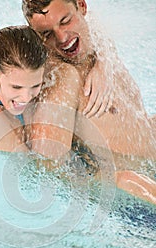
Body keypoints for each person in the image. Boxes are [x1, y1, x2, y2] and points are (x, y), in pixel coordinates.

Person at [22, 0, 156, 204]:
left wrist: (102, 63)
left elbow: (99, 32)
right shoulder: (62, 79)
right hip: (138, 188)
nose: (62, 38)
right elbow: (48, 167)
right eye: (47, 34)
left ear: (82, 7)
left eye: (65, 21)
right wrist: (120, 180)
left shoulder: (94, 36)